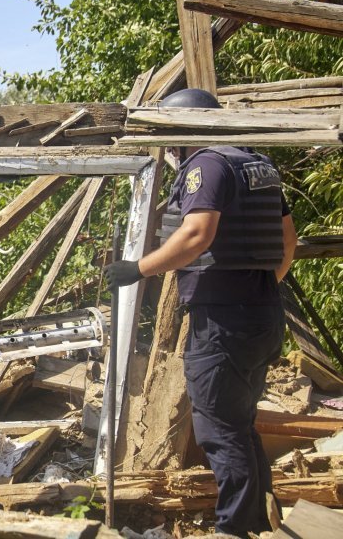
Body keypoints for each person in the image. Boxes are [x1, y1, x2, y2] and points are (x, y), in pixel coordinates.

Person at [105, 89, 297, 537]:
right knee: (240, 422)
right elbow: (287, 238)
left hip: (224, 321)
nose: (171, 149)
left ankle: (233, 530)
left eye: (172, 139)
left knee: (218, 427)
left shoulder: (206, 165)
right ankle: (258, 523)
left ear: (186, 129)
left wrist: (138, 269)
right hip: (262, 314)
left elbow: (197, 233)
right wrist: (264, 286)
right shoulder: (256, 163)